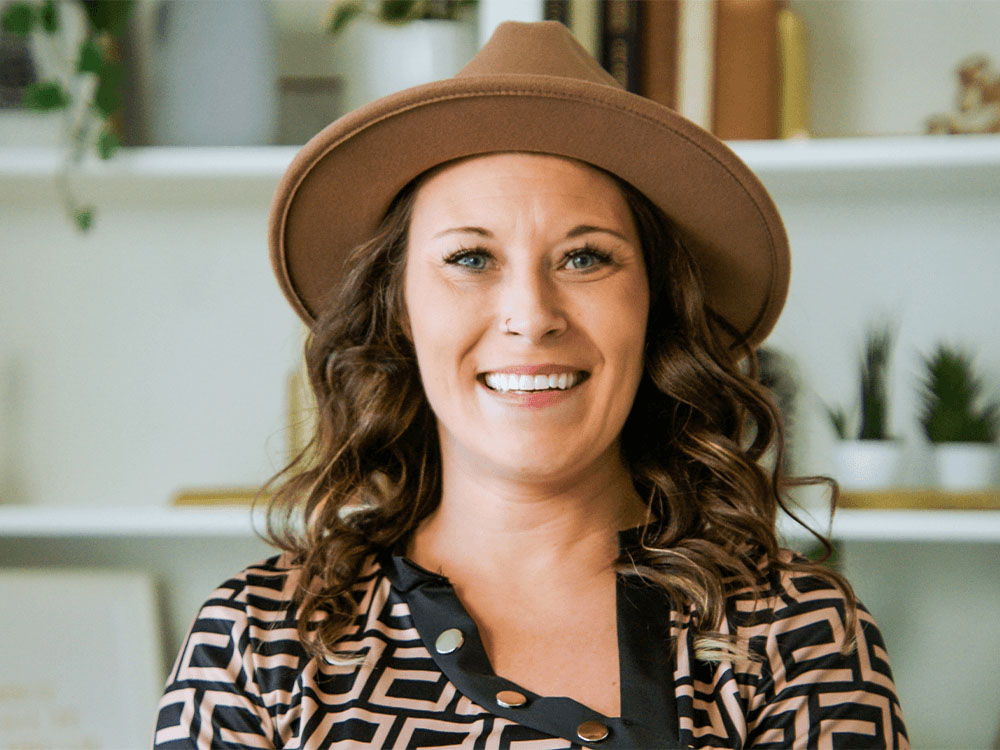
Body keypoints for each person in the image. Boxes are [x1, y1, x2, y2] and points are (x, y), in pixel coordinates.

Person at [154, 21, 908, 749]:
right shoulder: (264, 640)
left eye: (585, 258)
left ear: (655, 310)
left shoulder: (796, 633)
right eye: (470, 260)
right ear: (401, 311)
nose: (531, 316)